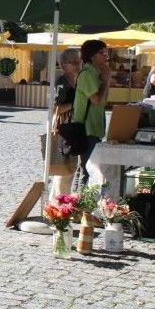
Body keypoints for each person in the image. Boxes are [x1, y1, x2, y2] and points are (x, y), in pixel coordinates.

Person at [73, 39, 110, 186]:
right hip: (87, 128)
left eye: (106, 53)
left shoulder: (95, 73)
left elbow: (103, 101)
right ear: (92, 55)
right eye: (102, 53)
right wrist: (106, 81)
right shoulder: (87, 74)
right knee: (87, 170)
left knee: (85, 169)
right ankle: (78, 204)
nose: (106, 56)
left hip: (94, 128)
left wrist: (105, 81)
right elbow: (96, 100)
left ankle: (76, 203)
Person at [50, 48, 82, 196]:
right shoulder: (62, 82)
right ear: (63, 64)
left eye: (79, 61)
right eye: (73, 62)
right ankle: (59, 203)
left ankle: (61, 200)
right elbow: (55, 108)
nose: (78, 65)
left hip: (76, 128)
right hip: (64, 129)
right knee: (63, 170)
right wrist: (75, 104)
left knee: (72, 168)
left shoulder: (81, 79)